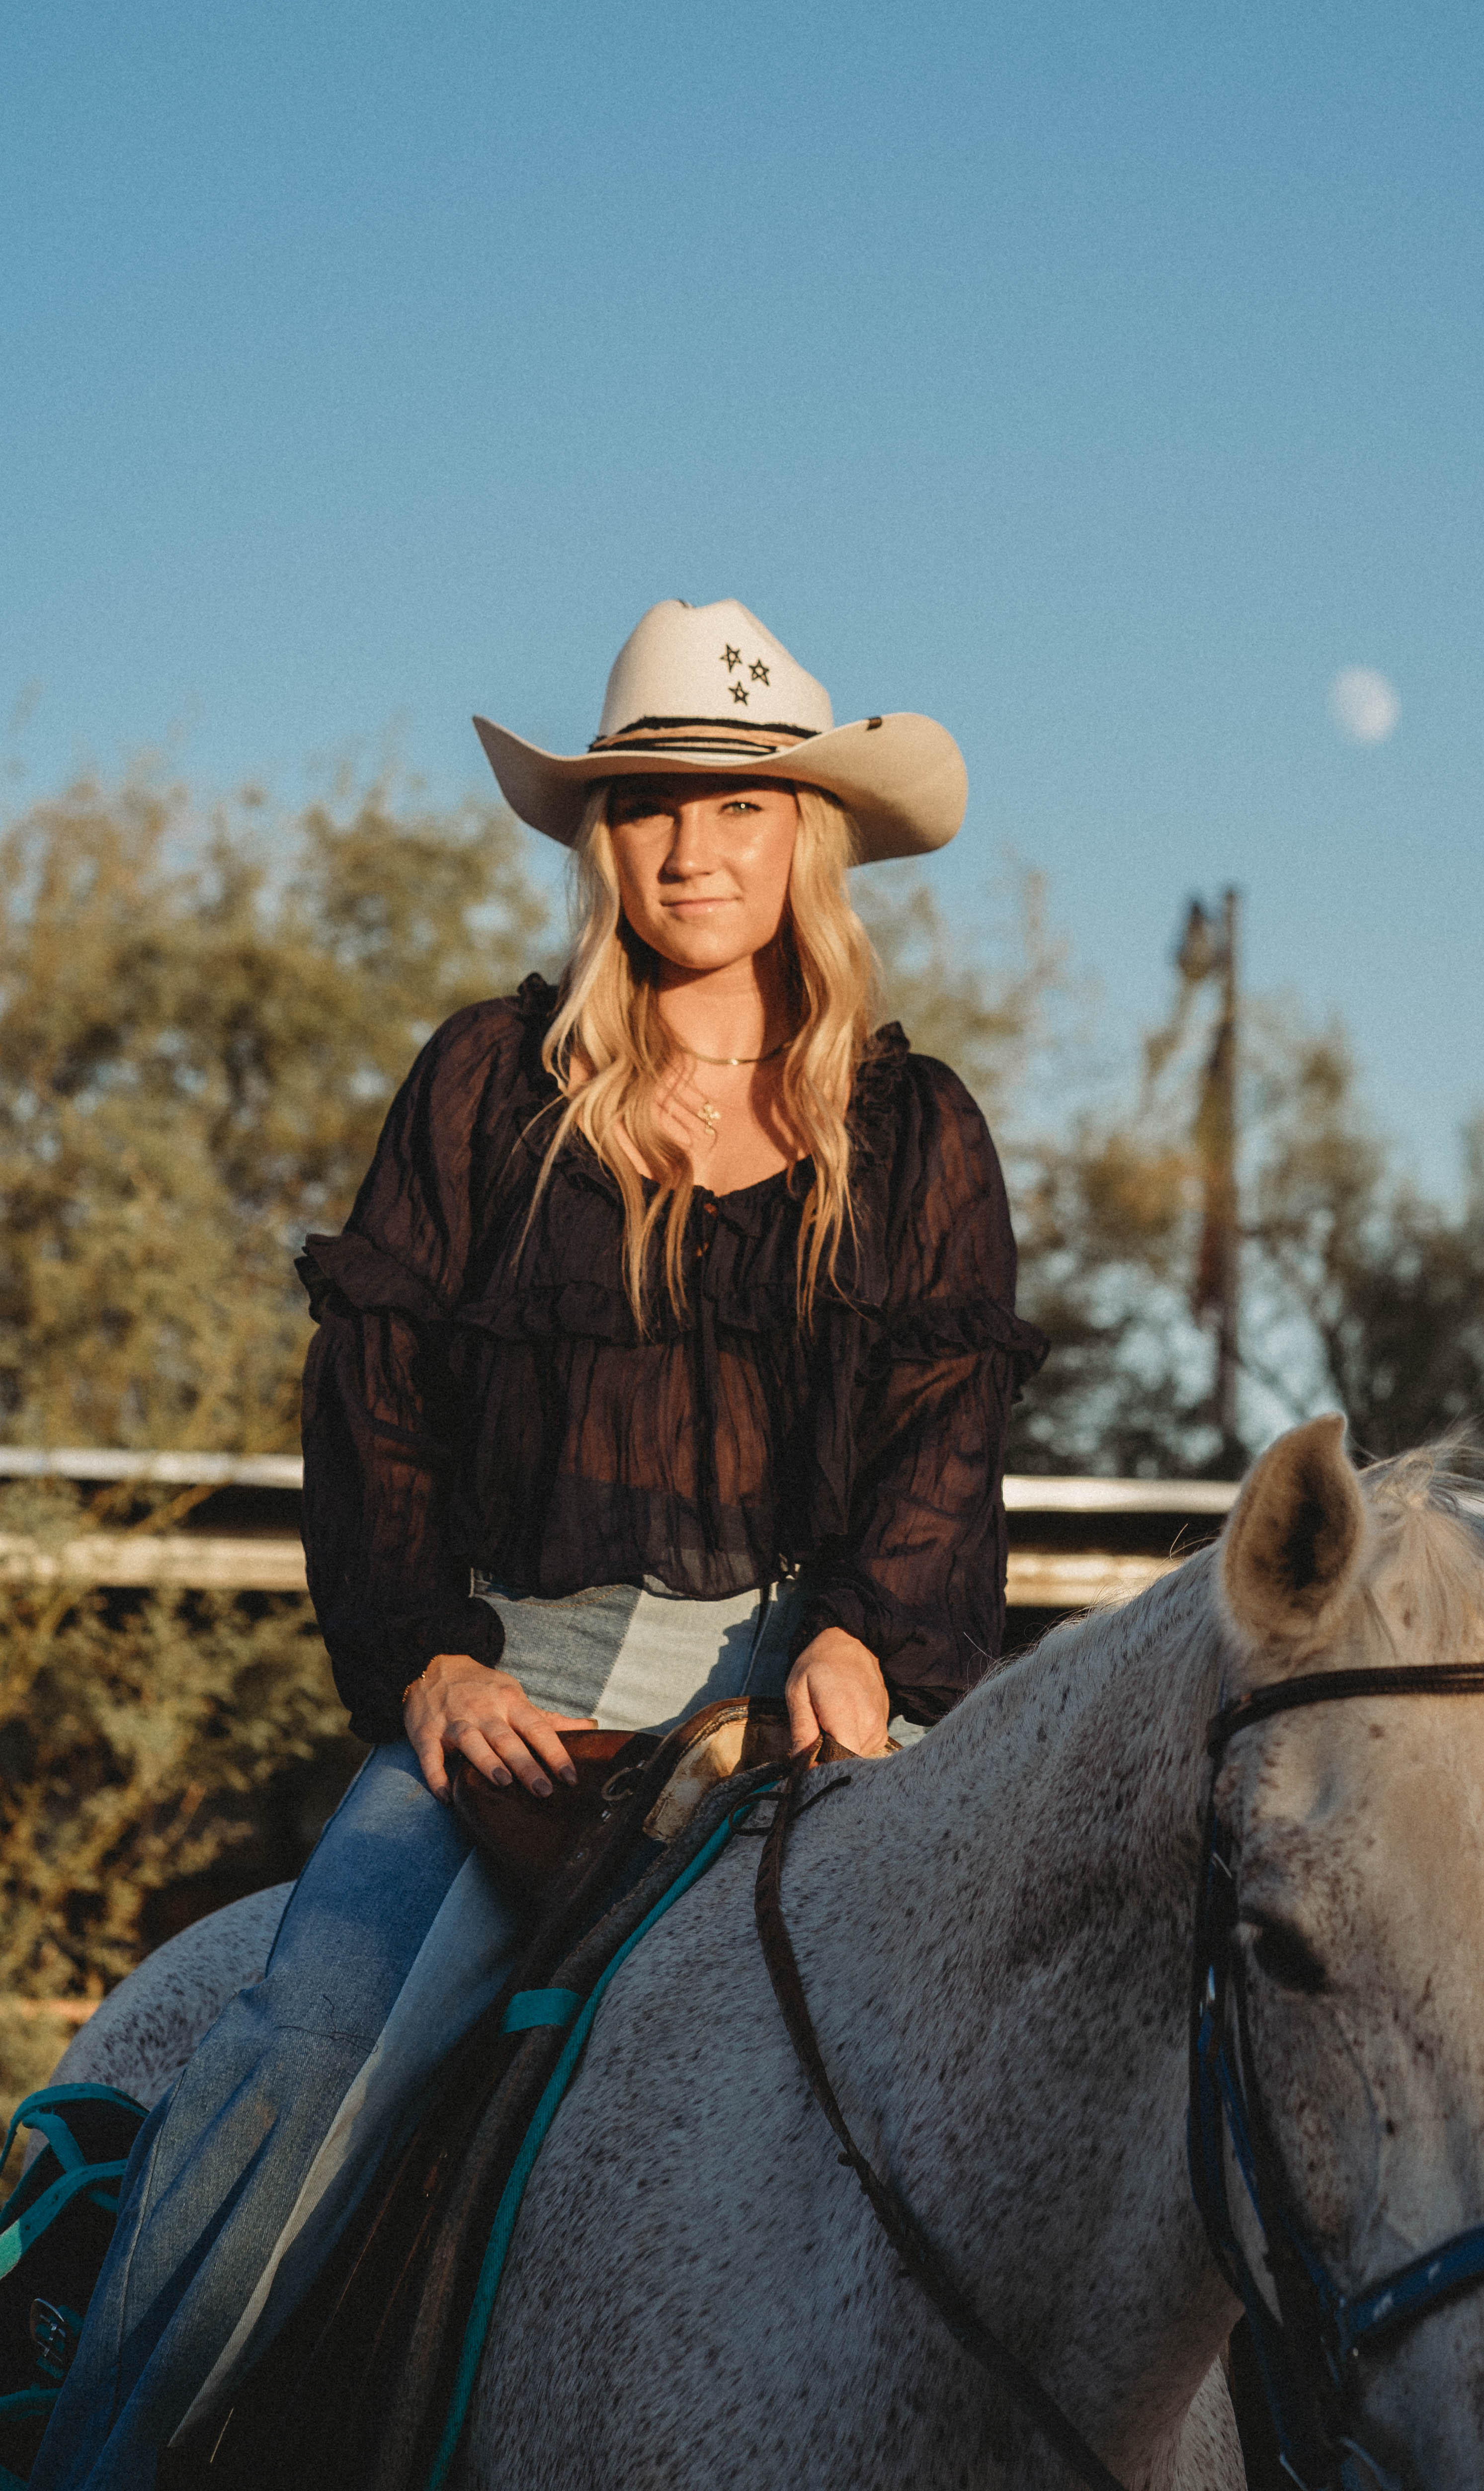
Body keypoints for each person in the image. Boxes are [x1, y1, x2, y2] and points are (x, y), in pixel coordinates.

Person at [35, 597, 1044, 2490]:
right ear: (604, 837)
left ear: (805, 838)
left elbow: (945, 1429)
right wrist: (429, 1659)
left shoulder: (915, 1139)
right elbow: (378, 1406)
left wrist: (872, 1646)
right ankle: (102, 2464)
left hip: (802, 1701)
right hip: (518, 1692)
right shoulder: (489, 1090)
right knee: (307, 2045)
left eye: (740, 810)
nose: (695, 849)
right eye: (653, 806)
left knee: (1028, 2076)